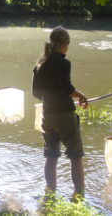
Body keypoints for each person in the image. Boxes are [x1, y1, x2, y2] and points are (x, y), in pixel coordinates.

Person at [32, 26, 88, 200]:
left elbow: (35, 92)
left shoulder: (40, 62)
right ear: (65, 43)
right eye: (68, 44)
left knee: (51, 155)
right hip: (64, 114)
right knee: (76, 155)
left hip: (47, 114)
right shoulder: (64, 62)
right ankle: (78, 195)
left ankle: (50, 192)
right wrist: (81, 96)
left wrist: (50, 97)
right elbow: (67, 88)